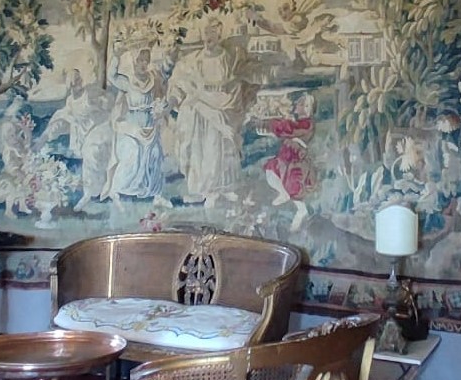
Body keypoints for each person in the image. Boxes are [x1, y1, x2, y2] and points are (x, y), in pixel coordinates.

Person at [168, 21, 248, 208]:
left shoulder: (227, 59)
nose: (208, 37)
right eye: (206, 33)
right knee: (199, 150)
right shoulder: (193, 60)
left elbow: (233, 84)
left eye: (212, 33)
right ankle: (202, 190)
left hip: (221, 110)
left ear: (219, 35)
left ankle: (222, 188)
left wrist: (226, 101)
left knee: (219, 149)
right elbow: (179, 81)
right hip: (198, 113)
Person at [101, 47, 167, 206]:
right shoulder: (127, 81)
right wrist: (116, 56)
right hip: (131, 128)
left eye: (146, 61)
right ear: (134, 62)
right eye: (140, 60)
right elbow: (111, 76)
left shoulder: (153, 79)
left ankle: (156, 194)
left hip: (149, 125)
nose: (143, 64)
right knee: (134, 152)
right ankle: (117, 189)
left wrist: (160, 107)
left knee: (155, 154)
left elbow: (161, 97)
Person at [262, 93, 316, 229]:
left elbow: (290, 130)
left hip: (296, 158)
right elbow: (287, 130)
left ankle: (301, 210)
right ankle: (284, 194)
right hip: (287, 155)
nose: (301, 107)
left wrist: (273, 124)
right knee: (271, 170)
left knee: (293, 183)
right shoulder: (297, 121)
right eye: (301, 104)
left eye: (305, 105)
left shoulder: (307, 124)